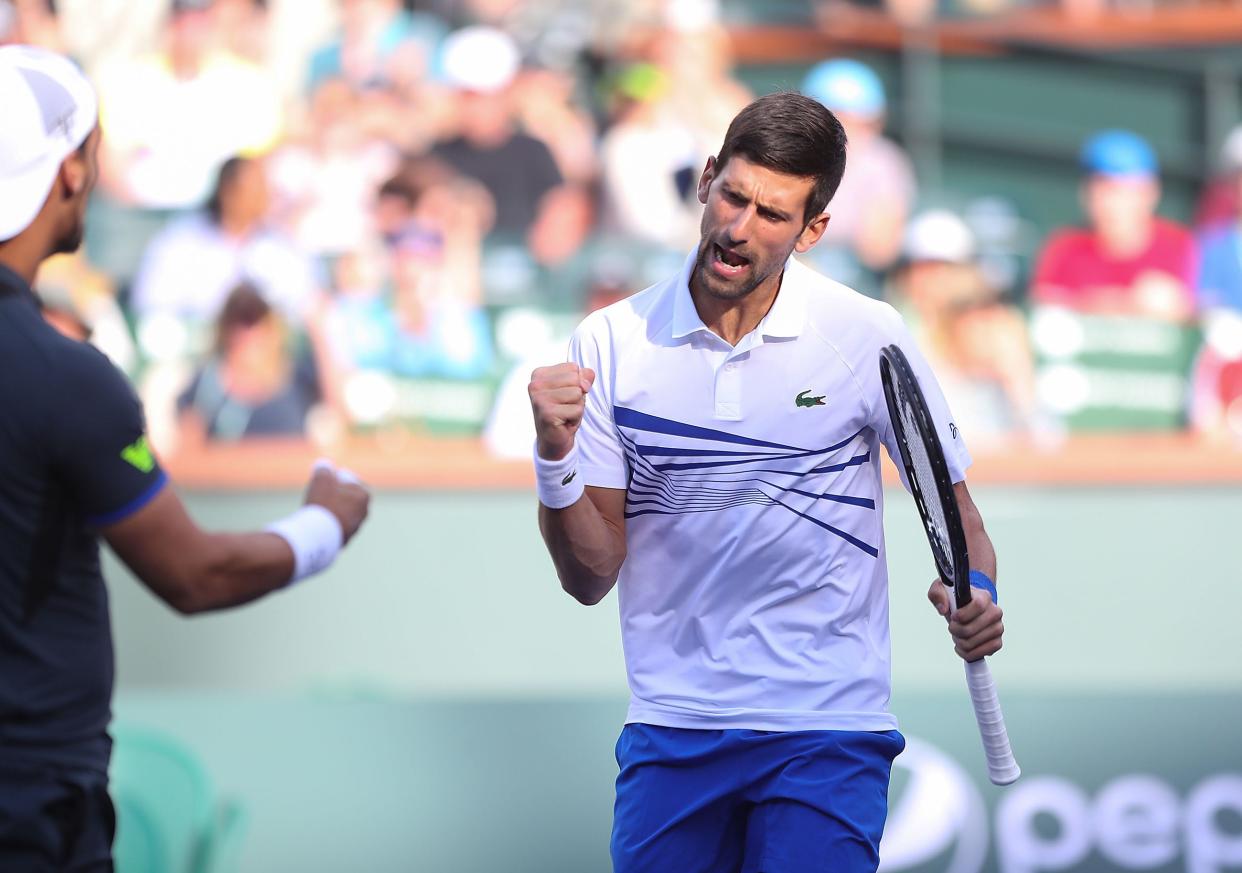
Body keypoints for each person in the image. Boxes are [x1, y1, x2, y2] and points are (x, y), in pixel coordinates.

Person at [527, 91, 1005, 872]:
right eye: (734, 196)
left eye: (773, 214)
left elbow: (960, 522)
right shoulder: (609, 343)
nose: (739, 228)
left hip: (826, 729)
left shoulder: (868, 337)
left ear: (813, 230)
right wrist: (554, 459)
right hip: (672, 728)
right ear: (708, 179)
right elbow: (589, 578)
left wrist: (975, 588)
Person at [0, 45, 369, 870]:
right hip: (28, 806)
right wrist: (324, 524)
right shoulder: (66, 377)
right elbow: (193, 574)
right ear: (67, 172)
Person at [1032, 129, 1196, 321]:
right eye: (1102, 189)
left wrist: (1179, 307)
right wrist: (1124, 303)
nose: (1111, 203)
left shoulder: (1179, 245)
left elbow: (1205, 316)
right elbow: (1043, 306)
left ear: (1151, 194)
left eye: (1124, 192)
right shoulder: (1064, 247)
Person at [801, 58, 916, 299]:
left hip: (857, 286)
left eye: (866, 123)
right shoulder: (791, 157)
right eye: (844, 120)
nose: (856, 132)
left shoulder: (883, 162)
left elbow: (880, 249)